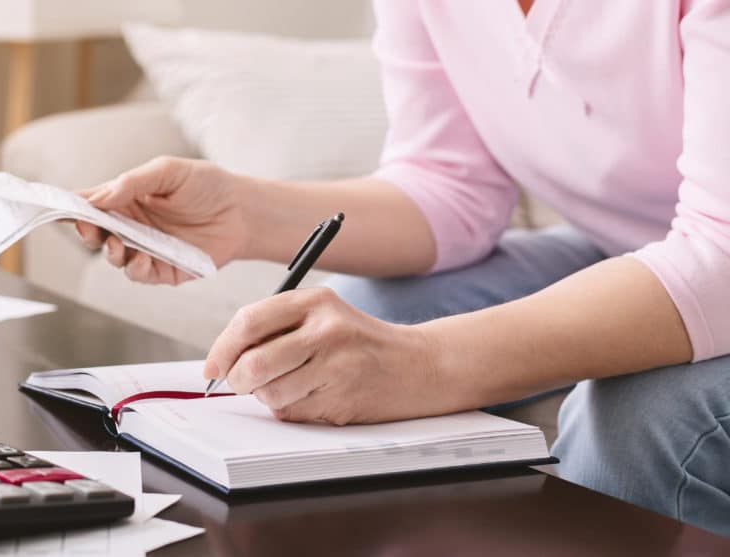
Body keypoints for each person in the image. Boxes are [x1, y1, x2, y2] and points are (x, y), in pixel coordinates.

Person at [74, 0, 730, 535]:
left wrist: (424, 364)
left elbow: (719, 253)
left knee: (641, 415)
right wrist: (245, 214)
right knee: (360, 316)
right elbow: (452, 186)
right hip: (627, 242)